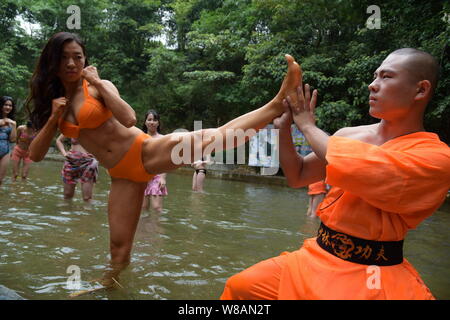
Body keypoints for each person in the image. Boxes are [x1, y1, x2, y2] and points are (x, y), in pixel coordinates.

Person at [26, 32, 301, 287]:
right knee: (119, 252)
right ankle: (109, 287)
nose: (72, 63)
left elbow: (130, 118)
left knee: (210, 138)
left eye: (78, 56)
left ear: (86, 59)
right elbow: (35, 155)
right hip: (121, 176)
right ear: (52, 61)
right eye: (64, 57)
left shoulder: (97, 87)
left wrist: (97, 82)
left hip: (143, 151)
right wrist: (53, 119)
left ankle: (276, 104)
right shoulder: (55, 104)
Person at [220, 48, 450, 300]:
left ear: (421, 89)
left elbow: (373, 170)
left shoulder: (436, 156)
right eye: (374, 76)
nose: (373, 85)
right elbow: (298, 174)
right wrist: (284, 128)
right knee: (241, 287)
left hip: (374, 271)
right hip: (317, 257)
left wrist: (307, 126)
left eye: (386, 77)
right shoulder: (347, 136)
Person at [55, 134, 99, 202]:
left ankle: (88, 211)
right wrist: (64, 153)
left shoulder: (95, 126)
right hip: (71, 162)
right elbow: (59, 140)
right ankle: (67, 211)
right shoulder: (72, 125)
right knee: (67, 195)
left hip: (89, 163)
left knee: (87, 198)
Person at [141, 110, 167, 214]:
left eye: (155, 120)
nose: (152, 122)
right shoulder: (140, 138)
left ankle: (157, 229)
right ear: (145, 122)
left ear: (158, 123)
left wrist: (163, 177)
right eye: (149, 119)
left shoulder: (163, 138)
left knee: (157, 208)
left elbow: (165, 160)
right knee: (143, 208)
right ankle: (144, 230)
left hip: (157, 175)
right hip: (142, 176)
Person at [0, 96, 17, 185]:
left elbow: (13, 139)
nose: (8, 107)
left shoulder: (12, 121)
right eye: (5, 105)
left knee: (0, 180)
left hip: (5, 150)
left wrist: (14, 126)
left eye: (10, 105)